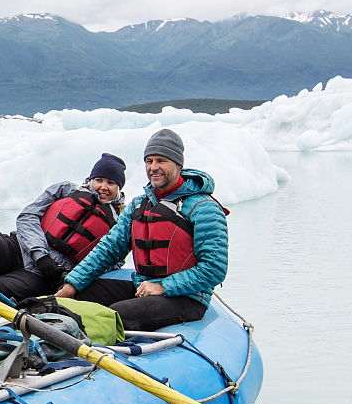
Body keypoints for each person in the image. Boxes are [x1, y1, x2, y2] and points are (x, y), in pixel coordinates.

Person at [54, 128, 228, 330]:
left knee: (118, 314)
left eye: (161, 160)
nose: (154, 167)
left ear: (178, 164)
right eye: (149, 161)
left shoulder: (204, 208)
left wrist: (163, 287)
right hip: (144, 288)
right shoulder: (140, 204)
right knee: (79, 295)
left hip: (186, 298)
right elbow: (109, 248)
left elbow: (214, 268)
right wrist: (72, 284)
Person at [0, 153, 127, 302]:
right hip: (20, 248)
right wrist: (40, 254)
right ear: (91, 179)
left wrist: (68, 275)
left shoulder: (120, 221)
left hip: (43, 275)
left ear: (118, 188)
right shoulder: (66, 190)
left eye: (111, 183)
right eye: (99, 180)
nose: (103, 187)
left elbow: (112, 261)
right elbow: (28, 216)